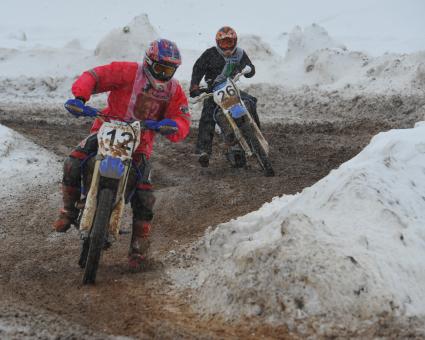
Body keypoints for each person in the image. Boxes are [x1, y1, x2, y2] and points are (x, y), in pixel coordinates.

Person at [53, 39, 191, 271]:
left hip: (139, 144)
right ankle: (68, 210)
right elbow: (95, 76)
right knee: (73, 162)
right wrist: (80, 98)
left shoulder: (173, 90)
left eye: (170, 70)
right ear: (149, 62)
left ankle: (138, 247)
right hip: (105, 130)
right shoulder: (127, 72)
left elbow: (183, 117)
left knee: (145, 196)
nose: (164, 75)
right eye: (161, 69)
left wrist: (173, 125)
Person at [189, 26, 260, 168]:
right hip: (213, 91)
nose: (227, 46)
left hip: (232, 89)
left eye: (230, 42)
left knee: (250, 102)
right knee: (208, 115)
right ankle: (204, 151)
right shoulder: (209, 54)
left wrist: (249, 70)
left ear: (235, 42)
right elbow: (198, 68)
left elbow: (249, 67)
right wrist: (194, 86)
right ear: (218, 43)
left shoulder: (239, 53)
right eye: (223, 43)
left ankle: (257, 139)